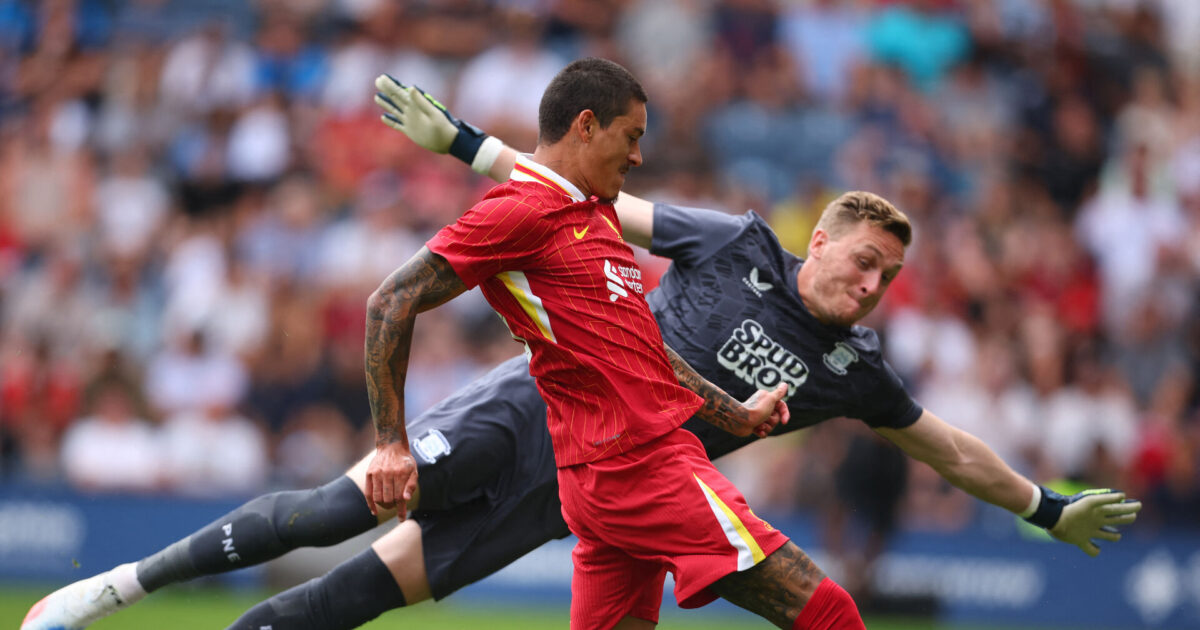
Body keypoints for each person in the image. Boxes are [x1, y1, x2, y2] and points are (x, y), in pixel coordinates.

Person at [23, 68, 1142, 630]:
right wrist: (466, 143)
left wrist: (1042, 506)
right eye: (861, 261)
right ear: (821, 242)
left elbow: (948, 450)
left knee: (360, 596)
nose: (872, 283)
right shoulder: (733, 243)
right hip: (534, 416)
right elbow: (568, 198)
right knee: (335, 508)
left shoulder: (856, 372)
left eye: (890, 277)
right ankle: (114, 587)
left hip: (595, 487)